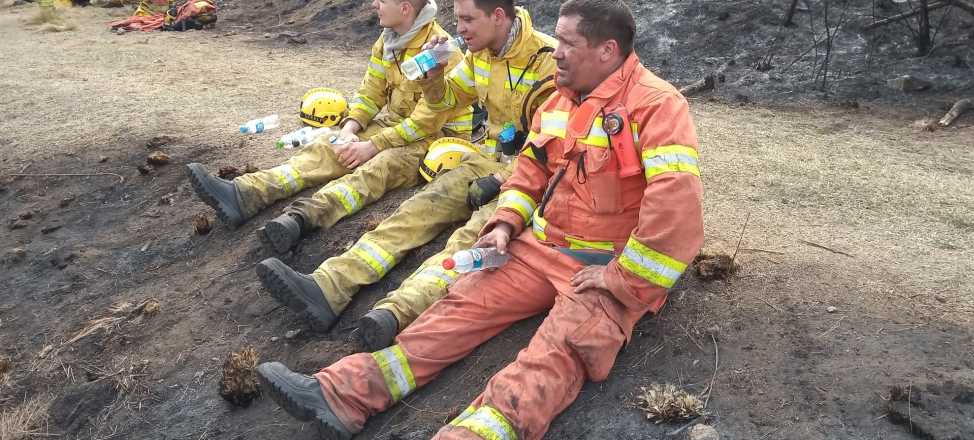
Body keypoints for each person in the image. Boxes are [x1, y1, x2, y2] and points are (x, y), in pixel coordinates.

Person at [254, 1, 706, 439]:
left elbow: (676, 212)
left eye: (568, 43)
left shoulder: (657, 106)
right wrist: (505, 225)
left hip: (605, 269)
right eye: (558, 41)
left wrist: (620, 280)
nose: (557, 52)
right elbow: (530, 173)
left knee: (556, 354)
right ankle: (344, 393)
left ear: (607, 50)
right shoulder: (561, 102)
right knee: (455, 310)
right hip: (541, 248)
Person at [254, 0, 558, 342]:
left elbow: (555, 147)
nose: (459, 29)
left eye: (468, 19)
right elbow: (445, 102)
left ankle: (394, 314)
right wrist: (433, 79)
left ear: (498, 16)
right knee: (415, 211)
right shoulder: (481, 54)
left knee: (471, 238)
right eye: (458, 18)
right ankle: (329, 286)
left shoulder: (549, 60)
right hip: (487, 161)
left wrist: (502, 179)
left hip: (531, 177)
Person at [185, 0, 474, 253]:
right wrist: (349, 130)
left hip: (437, 138)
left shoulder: (440, 50)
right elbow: (370, 92)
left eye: (382, 0)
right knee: (329, 145)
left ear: (405, 8)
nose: (374, 4)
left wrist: (372, 146)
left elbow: (427, 121)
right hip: (397, 124)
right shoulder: (389, 41)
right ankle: (246, 194)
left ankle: (302, 220)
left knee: (381, 166)